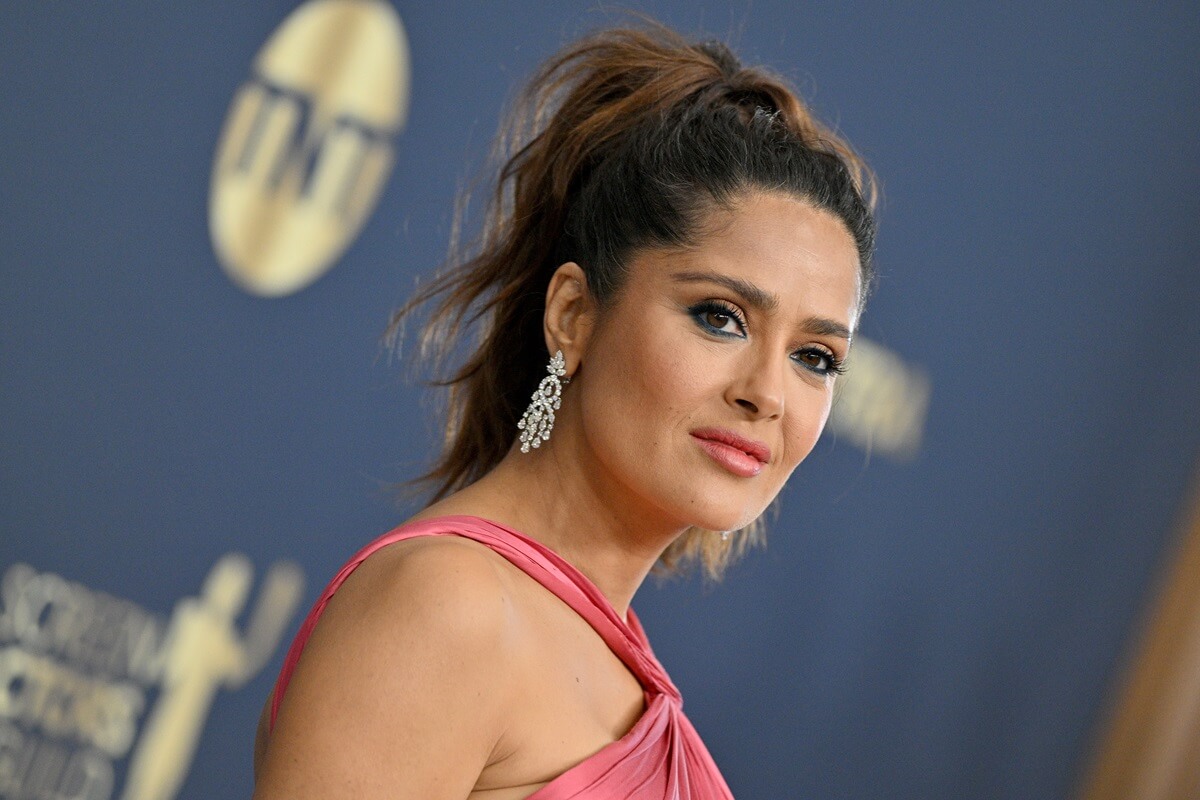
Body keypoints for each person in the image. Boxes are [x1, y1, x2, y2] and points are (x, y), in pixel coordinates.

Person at [251, 19, 875, 800]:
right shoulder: (449, 609)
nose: (767, 392)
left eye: (814, 357)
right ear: (575, 315)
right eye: (720, 316)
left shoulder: (613, 663)